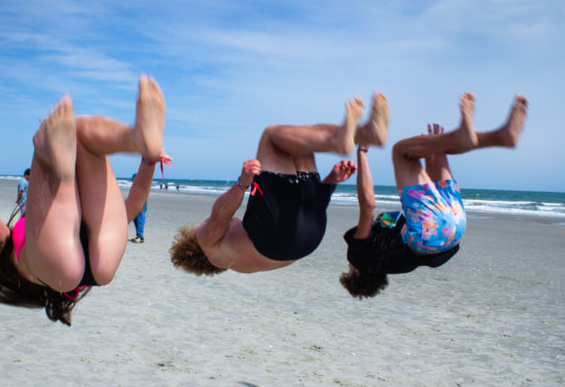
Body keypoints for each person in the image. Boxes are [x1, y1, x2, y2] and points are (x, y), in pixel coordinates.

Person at [0, 76, 169, 325]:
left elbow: (134, 203)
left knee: (76, 136)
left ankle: (137, 142)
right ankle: (131, 138)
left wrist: (149, 162)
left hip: (98, 268)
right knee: (67, 132)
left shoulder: (19, 266)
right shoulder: (5, 253)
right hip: (60, 260)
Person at [340, 92, 528, 298]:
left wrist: (432, 147)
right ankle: (463, 138)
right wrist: (362, 152)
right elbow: (368, 205)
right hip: (427, 233)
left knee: (436, 148)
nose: (349, 264)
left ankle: (501, 136)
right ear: (357, 272)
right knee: (400, 151)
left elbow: (427, 216)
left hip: (454, 230)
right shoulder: (360, 256)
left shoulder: (397, 263)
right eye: (349, 269)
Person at [170, 97, 369, 275]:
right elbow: (221, 214)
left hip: (308, 241)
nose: (200, 225)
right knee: (271, 135)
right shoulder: (206, 243)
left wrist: (331, 180)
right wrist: (242, 182)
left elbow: (296, 221)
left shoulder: (239, 264)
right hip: (272, 237)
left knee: (300, 146)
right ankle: (338, 140)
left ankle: (358, 136)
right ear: (192, 245)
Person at [130, 173, 147, 244]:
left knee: (140, 221)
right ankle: (138, 236)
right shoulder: (135, 186)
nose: (133, 181)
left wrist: (141, 206)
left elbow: (144, 196)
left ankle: (140, 236)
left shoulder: (142, 186)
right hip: (135, 205)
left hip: (141, 205)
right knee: (135, 220)